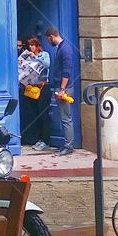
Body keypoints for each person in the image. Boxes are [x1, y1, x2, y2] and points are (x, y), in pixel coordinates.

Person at [45, 26, 75, 155]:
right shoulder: (61, 48)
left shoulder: (65, 49)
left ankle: (69, 146)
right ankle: (66, 144)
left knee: (66, 118)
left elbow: (66, 71)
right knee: (63, 117)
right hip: (60, 87)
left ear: (52, 36)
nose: (48, 42)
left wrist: (62, 89)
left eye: (48, 40)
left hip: (64, 88)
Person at [22, 36, 51, 149]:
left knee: (43, 114)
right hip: (32, 88)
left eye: (33, 45)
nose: (31, 47)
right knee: (35, 114)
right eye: (29, 45)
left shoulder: (44, 55)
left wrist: (35, 58)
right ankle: (37, 139)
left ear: (37, 45)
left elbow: (47, 64)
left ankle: (46, 140)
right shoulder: (28, 56)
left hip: (43, 87)